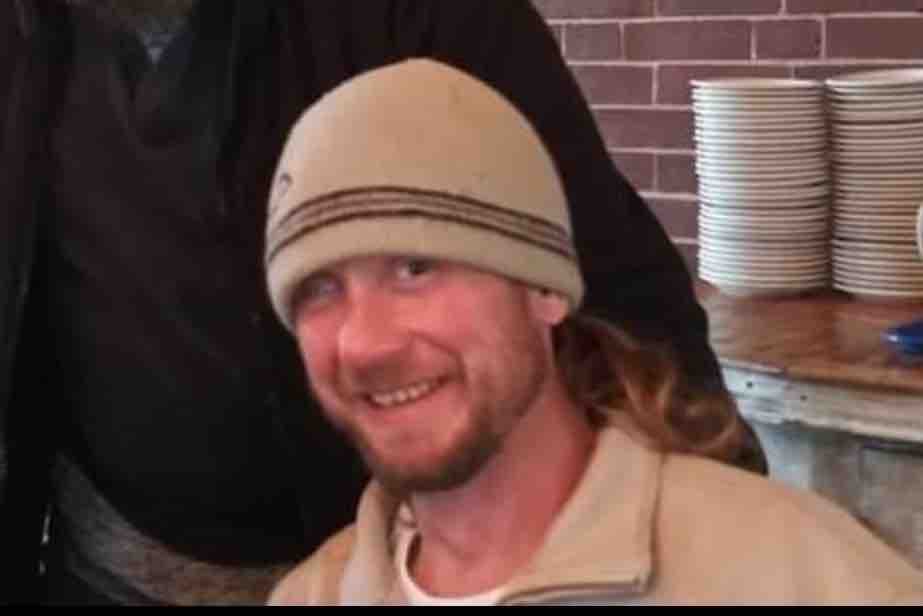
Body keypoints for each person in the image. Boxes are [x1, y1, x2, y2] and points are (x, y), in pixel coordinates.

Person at [1, 0, 763, 605]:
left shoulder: (422, 17)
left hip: (395, 578)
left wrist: (707, 544)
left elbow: (616, 297)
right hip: (101, 577)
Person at [263, 59, 923, 606]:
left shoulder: (796, 576)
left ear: (546, 289)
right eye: (318, 289)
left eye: (416, 267)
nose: (363, 344)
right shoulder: (309, 596)